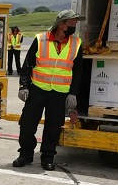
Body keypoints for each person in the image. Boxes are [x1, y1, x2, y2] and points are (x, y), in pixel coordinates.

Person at [13, 10, 84, 171]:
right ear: (61, 24)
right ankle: (25, 154)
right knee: (27, 124)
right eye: (71, 23)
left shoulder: (76, 43)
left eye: (75, 23)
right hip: (37, 90)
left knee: (53, 127)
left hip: (59, 93)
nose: (74, 26)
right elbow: (27, 66)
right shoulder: (40, 40)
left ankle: (48, 157)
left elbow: (78, 71)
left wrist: (73, 93)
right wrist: (23, 86)